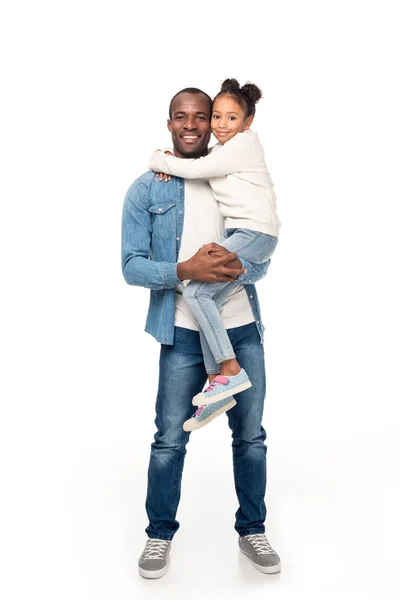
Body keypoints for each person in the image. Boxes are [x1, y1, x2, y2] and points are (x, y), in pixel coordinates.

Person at [121, 86, 281, 579]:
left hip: (241, 329)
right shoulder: (148, 188)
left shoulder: (228, 169)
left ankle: (252, 528)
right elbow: (131, 266)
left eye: (202, 116)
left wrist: (238, 272)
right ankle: (158, 535)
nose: (192, 124)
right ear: (169, 123)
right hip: (182, 333)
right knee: (169, 439)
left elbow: (260, 250)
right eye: (181, 117)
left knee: (250, 437)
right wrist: (185, 268)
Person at [148, 79, 280, 432]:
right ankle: (218, 383)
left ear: (247, 123)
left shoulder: (244, 144)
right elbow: (198, 165)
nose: (222, 125)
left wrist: (161, 158)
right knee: (202, 296)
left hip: (254, 233)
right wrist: (174, 163)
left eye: (231, 118)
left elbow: (193, 169)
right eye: (218, 116)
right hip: (246, 234)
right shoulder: (222, 153)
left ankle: (229, 371)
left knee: (194, 292)